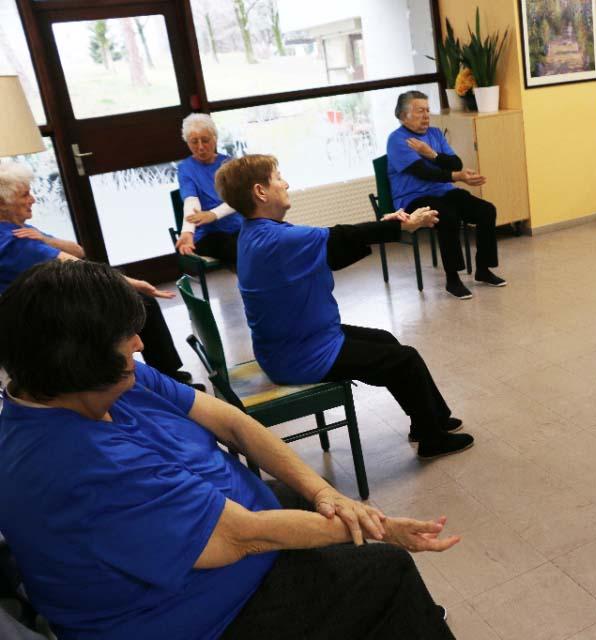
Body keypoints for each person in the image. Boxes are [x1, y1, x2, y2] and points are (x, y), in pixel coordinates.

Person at [0, 259, 461, 639]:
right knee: (386, 569)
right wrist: (381, 529)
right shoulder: (75, 464)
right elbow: (245, 537)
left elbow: (232, 423)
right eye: (126, 339)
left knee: (306, 497)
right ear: (81, 358)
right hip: (199, 619)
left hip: (230, 536)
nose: (140, 345)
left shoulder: (106, 381)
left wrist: (327, 494)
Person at [217, 154, 475, 459]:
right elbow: (340, 237)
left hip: (298, 340)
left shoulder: (256, 234)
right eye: (277, 178)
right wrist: (405, 228)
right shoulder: (274, 239)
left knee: (385, 341)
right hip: (301, 354)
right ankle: (432, 439)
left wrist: (385, 226)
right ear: (261, 192)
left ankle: (430, 421)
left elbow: (333, 250)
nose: (285, 183)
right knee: (404, 359)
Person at [0, 162, 197, 386]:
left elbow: (78, 251)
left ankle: (166, 374)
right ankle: (166, 377)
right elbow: (80, 267)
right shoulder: (15, 242)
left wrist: (45, 239)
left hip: (40, 306)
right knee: (139, 300)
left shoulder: (20, 231)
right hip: (40, 318)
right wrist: (134, 284)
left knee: (135, 296)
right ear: (2, 204)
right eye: (25, 195)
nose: (33, 199)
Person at [386, 90, 506, 300]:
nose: (426, 116)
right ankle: (453, 279)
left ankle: (483, 269)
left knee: (486, 210)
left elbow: (455, 163)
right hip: (413, 198)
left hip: (443, 191)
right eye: (419, 111)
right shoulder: (397, 140)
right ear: (403, 115)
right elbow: (424, 172)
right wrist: (457, 176)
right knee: (447, 215)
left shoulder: (434, 134)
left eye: (427, 110)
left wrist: (430, 153)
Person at [175, 113, 242, 266]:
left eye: (205, 140)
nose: (200, 147)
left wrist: (214, 214)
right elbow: (191, 200)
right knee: (238, 251)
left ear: (215, 138)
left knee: (261, 244)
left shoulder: (229, 164)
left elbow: (238, 198)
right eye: (194, 142)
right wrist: (188, 231)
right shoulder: (185, 169)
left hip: (237, 226)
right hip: (207, 234)